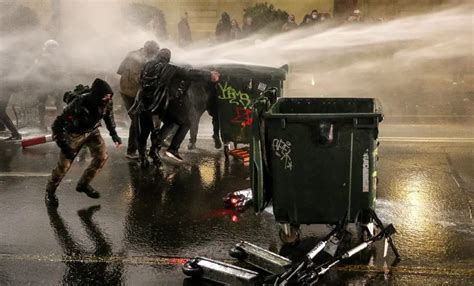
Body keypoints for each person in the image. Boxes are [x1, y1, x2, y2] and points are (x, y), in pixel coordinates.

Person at [131, 49, 219, 167]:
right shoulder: (170, 68)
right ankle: (162, 149)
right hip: (157, 104)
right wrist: (209, 75)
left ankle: (143, 157)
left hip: (142, 103)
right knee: (182, 121)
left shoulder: (147, 65)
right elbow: (189, 73)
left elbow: (140, 80)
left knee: (144, 131)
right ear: (168, 58)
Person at [45, 78, 122, 208]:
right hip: (73, 134)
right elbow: (57, 126)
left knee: (102, 157)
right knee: (63, 167)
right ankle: (50, 192)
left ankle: (83, 185)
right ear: (97, 96)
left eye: (110, 96)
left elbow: (108, 116)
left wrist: (113, 134)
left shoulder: (107, 102)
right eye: (105, 97)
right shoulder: (79, 104)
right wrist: (65, 147)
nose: (108, 99)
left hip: (92, 131)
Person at [117, 40, 159, 159]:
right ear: (149, 51)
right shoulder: (138, 61)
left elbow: (120, 70)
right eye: (154, 53)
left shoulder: (133, 53)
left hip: (126, 89)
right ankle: (131, 151)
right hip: (130, 92)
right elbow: (138, 79)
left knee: (138, 120)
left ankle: (138, 146)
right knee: (137, 121)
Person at [33, 39, 66, 131]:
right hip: (44, 83)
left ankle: (60, 124)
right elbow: (37, 69)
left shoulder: (58, 58)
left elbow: (62, 70)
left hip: (54, 82)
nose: (55, 49)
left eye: (55, 47)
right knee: (42, 104)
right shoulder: (42, 57)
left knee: (58, 103)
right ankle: (42, 125)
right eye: (53, 47)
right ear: (48, 48)